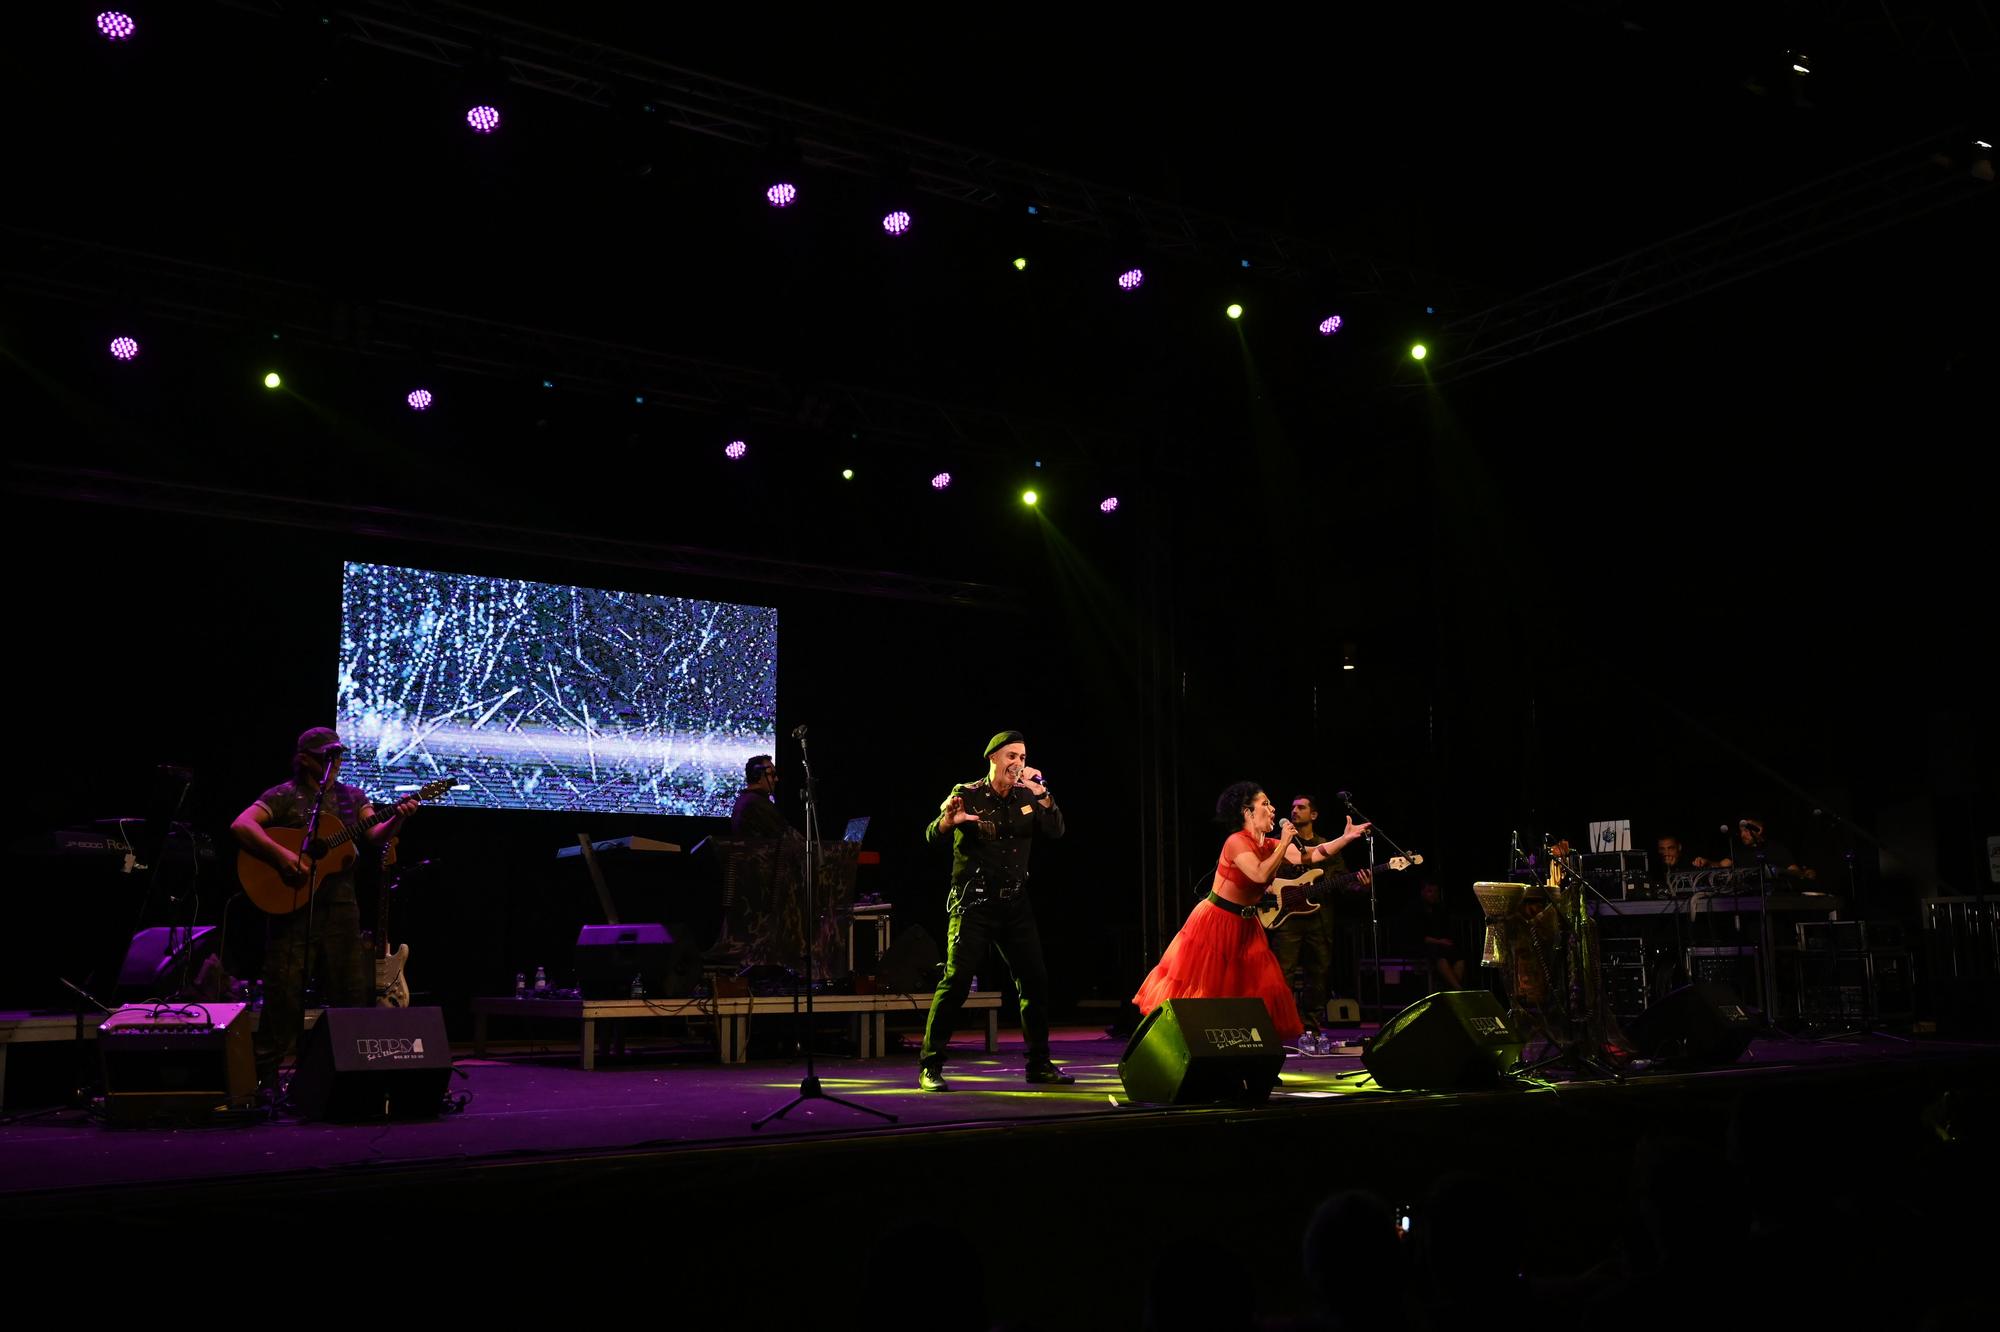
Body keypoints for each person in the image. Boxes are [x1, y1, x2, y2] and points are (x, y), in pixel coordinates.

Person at [230, 727, 418, 1089]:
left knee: (350, 993)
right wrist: (284, 856)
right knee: (283, 999)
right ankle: (261, 1087)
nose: (336, 763)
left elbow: (375, 836)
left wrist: (400, 817)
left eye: (339, 756)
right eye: (328, 756)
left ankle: (353, 1081)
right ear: (305, 759)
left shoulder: (352, 798)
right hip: (293, 910)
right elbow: (242, 824)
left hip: (342, 909)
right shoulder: (284, 795)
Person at [1133, 782, 1368, 1046]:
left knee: (1258, 991)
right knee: (1209, 992)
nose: (1273, 808)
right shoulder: (1236, 842)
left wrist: (1345, 839)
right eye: (1265, 804)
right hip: (1217, 922)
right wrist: (1284, 844)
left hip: (1247, 924)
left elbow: (1311, 855)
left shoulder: (1268, 844)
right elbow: (1259, 873)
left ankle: (1246, 1052)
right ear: (1248, 812)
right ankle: (1195, 1048)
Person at [917, 730, 1071, 1091]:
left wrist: (1043, 793)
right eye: (1011, 757)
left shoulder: (1027, 795)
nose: (1017, 764)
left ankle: (1039, 1065)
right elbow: (930, 835)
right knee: (956, 983)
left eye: (1022, 757)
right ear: (992, 759)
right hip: (973, 903)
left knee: (1035, 982)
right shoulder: (966, 794)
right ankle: (930, 1065)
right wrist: (947, 823)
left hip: (1015, 904)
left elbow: (1057, 831)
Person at [1265, 795, 1348, 1037]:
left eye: (1301, 807)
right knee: (1283, 973)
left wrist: (1360, 883)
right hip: (1287, 917)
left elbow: (1343, 880)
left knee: (1318, 974)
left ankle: (1310, 1027)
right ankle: (1281, 1025)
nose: (1294, 811)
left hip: (1319, 919)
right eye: (1292, 807)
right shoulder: (1283, 843)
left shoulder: (1327, 846)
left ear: (1313, 815)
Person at [1408, 879, 1470, 991]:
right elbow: (1417, 936)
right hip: (1422, 946)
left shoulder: (1439, 909)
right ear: (1422, 892)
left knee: (1459, 955)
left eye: (1435, 892)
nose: (1433, 895)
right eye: (1430, 891)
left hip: (1439, 944)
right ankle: (1458, 989)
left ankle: (1452, 988)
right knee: (1439, 956)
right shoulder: (1415, 910)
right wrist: (1439, 941)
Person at [729, 754, 792, 837]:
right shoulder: (758, 804)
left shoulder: (745, 800)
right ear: (757, 776)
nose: (776, 779)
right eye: (772, 774)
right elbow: (783, 836)